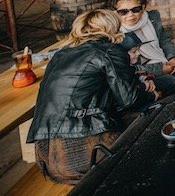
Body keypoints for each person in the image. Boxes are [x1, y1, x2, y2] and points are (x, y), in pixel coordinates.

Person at [27, 9, 157, 184]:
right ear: (112, 27)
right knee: (153, 118)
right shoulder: (109, 50)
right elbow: (129, 99)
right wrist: (151, 95)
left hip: (46, 154)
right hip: (86, 149)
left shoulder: (59, 55)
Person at [112, 0, 175, 96]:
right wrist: (159, 69)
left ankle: (174, 96)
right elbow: (125, 69)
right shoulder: (116, 32)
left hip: (159, 58)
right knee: (172, 81)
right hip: (140, 71)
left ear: (143, 7)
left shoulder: (152, 18)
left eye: (136, 9)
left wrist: (172, 58)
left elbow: (165, 41)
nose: (130, 15)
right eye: (123, 12)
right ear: (116, 12)